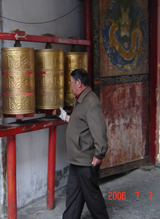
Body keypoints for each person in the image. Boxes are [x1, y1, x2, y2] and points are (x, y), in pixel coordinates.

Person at [59, 68, 109, 219]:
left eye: (71, 82)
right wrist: (66, 117)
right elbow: (80, 121)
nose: (70, 85)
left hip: (85, 159)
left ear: (79, 83)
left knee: (92, 196)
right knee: (73, 193)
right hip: (76, 158)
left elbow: (99, 130)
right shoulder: (81, 99)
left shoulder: (91, 102)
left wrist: (99, 154)